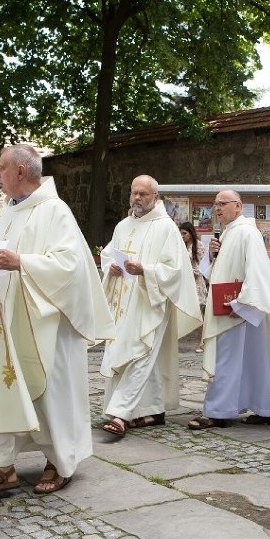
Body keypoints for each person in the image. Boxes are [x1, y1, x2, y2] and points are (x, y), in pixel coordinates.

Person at [0, 144, 114, 496]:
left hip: (48, 325)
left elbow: (71, 266)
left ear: (21, 171)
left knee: (51, 393)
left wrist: (23, 262)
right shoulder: (9, 213)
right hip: (10, 321)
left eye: (1, 168)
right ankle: (3, 466)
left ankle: (59, 462)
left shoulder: (55, 211)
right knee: (7, 388)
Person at [99, 175, 202, 437]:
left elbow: (175, 270)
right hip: (124, 301)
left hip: (151, 301)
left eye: (143, 194)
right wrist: (110, 265)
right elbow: (109, 252)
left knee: (140, 356)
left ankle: (120, 414)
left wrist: (144, 269)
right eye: (134, 193)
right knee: (131, 354)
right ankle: (153, 410)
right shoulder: (123, 225)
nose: (137, 198)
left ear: (155, 197)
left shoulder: (165, 227)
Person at [188, 190, 270, 429]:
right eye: (215, 204)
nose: (217, 208)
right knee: (255, 361)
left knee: (226, 359)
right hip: (235, 307)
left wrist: (242, 303)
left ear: (238, 206)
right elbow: (217, 271)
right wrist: (215, 255)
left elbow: (256, 270)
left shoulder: (247, 232)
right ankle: (268, 410)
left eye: (223, 204)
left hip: (238, 309)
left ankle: (218, 411)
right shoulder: (229, 233)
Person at [180, 221, 208, 352]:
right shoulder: (181, 246)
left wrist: (188, 270)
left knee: (198, 313)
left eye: (184, 233)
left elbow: (202, 267)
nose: (182, 236)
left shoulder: (199, 246)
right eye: (180, 234)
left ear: (191, 233)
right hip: (183, 282)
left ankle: (202, 341)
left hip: (196, 282)